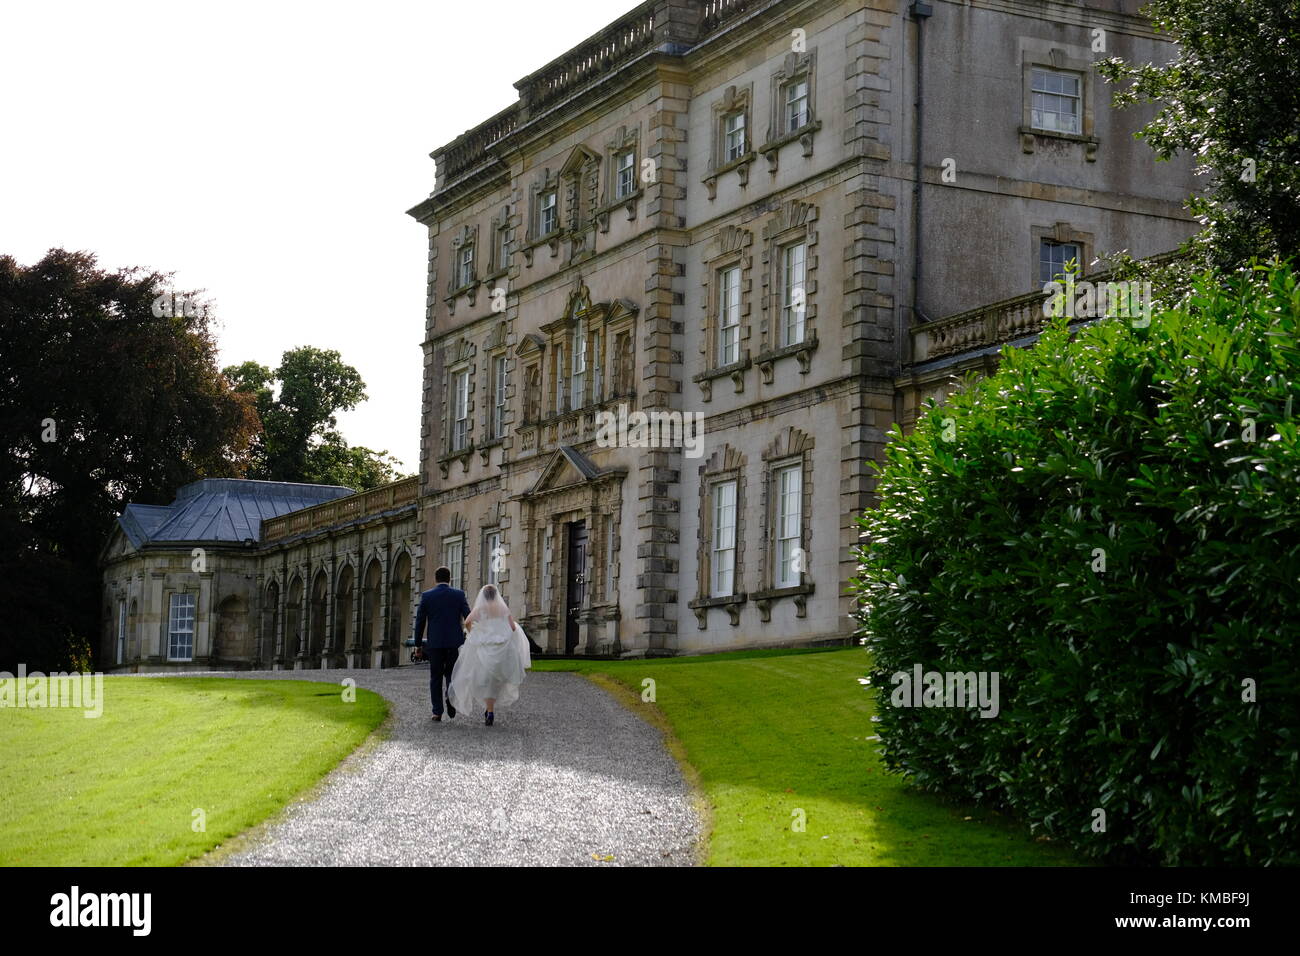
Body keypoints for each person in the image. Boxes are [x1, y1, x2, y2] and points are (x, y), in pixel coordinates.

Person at [448, 584, 532, 726]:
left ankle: (490, 711)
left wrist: (474, 632)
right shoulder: (503, 608)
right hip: (502, 648)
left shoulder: (480, 608)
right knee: (495, 682)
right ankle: (490, 710)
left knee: (486, 682)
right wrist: (501, 633)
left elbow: (467, 621)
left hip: (485, 648)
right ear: (496, 595)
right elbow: (512, 627)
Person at [413, 566, 470, 722]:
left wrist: (418, 644)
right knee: (452, 674)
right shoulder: (459, 595)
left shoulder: (427, 596)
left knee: (436, 677)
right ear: (449, 578)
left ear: (435, 579)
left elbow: (420, 622)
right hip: (454, 642)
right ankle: (450, 699)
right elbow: (468, 616)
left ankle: (437, 711)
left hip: (435, 643)